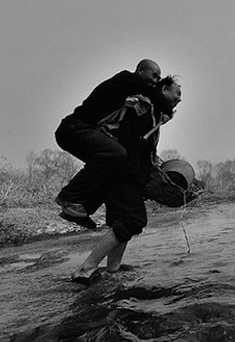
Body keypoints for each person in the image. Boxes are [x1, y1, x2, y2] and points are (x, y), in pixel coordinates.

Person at [70, 76, 182, 284]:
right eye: (177, 93)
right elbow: (128, 142)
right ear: (163, 90)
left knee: (121, 223)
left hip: (127, 175)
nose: (179, 99)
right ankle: (86, 268)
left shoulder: (153, 114)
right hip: (124, 175)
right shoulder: (141, 106)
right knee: (133, 221)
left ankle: (112, 271)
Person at [54, 59, 162, 229]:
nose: (155, 80)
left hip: (85, 131)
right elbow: (155, 94)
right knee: (115, 153)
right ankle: (70, 197)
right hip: (75, 128)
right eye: (154, 75)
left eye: (159, 78)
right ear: (141, 70)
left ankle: (81, 209)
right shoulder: (126, 79)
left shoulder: (131, 97)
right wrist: (167, 104)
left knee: (116, 164)